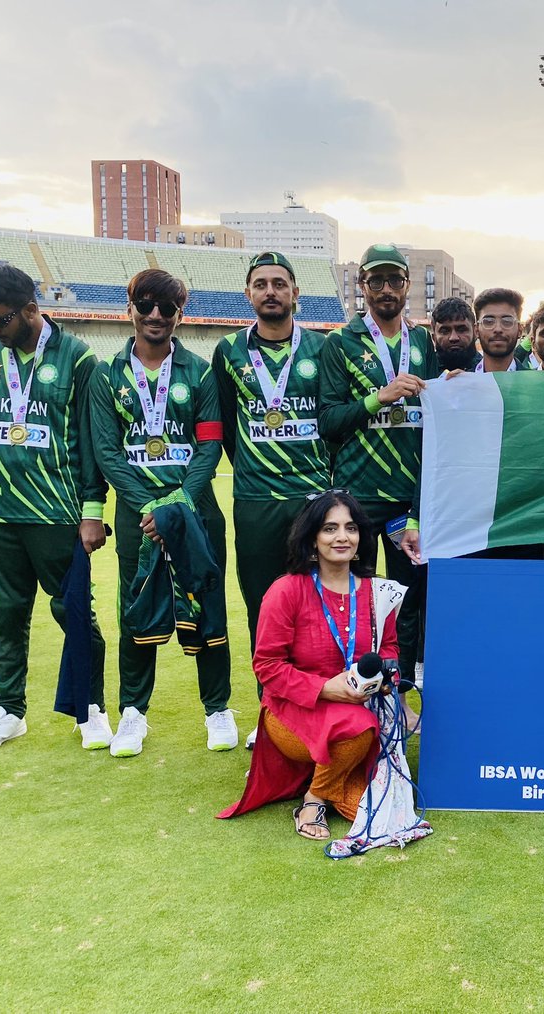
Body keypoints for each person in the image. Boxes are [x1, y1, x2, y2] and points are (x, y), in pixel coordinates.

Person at [0, 264, 110, 754]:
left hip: (57, 513)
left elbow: (92, 443)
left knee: (73, 613)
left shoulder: (80, 358)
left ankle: (90, 709)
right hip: (1, 514)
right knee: (5, 616)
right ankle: (7, 711)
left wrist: (91, 511)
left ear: (29, 310)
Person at [90, 269, 235, 756]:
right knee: (136, 610)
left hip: (195, 513)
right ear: (129, 308)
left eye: (167, 308)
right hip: (137, 517)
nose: (156, 316)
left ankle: (217, 710)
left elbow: (210, 447)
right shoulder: (106, 375)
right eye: (146, 305)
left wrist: (176, 504)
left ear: (180, 314)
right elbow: (108, 454)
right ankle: (133, 713)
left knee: (207, 603)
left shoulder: (199, 371)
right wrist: (149, 505)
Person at [218, 491, 404, 840]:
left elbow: (389, 647)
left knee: (378, 793)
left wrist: (380, 679)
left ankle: (332, 785)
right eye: (329, 528)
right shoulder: (286, 590)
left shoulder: (378, 592)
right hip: (293, 709)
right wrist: (324, 688)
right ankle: (314, 797)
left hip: (360, 702)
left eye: (350, 528)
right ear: (312, 539)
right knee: (359, 729)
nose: (342, 537)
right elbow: (267, 667)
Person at [213, 252, 331, 747]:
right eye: (260, 284)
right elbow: (223, 426)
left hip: (313, 498)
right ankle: (271, 711)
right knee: (263, 605)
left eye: (279, 283)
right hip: (256, 499)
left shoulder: (323, 348)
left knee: (319, 603)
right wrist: (255, 472)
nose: (270, 291)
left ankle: (322, 707)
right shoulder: (228, 351)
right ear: (248, 294)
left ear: (295, 293)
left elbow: (332, 417)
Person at [319, 243, 438, 691]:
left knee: (409, 597)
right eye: (376, 281)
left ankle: (405, 681)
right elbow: (328, 422)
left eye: (394, 280)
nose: (386, 289)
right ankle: (358, 681)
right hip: (358, 497)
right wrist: (378, 397)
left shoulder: (424, 341)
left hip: (410, 499)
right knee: (359, 597)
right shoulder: (341, 343)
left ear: (407, 285)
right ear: (362, 286)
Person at [473, 288, 533, 372]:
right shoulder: (460, 383)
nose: (498, 329)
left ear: (520, 330)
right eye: (489, 321)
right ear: (476, 330)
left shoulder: (537, 383)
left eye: (507, 321)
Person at [431, 298, 479, 372]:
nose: (453, 338)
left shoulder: (489, 371)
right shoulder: (423, 371)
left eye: (462, 330)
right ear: (434, 337)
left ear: (475, 332)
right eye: (445, 331)